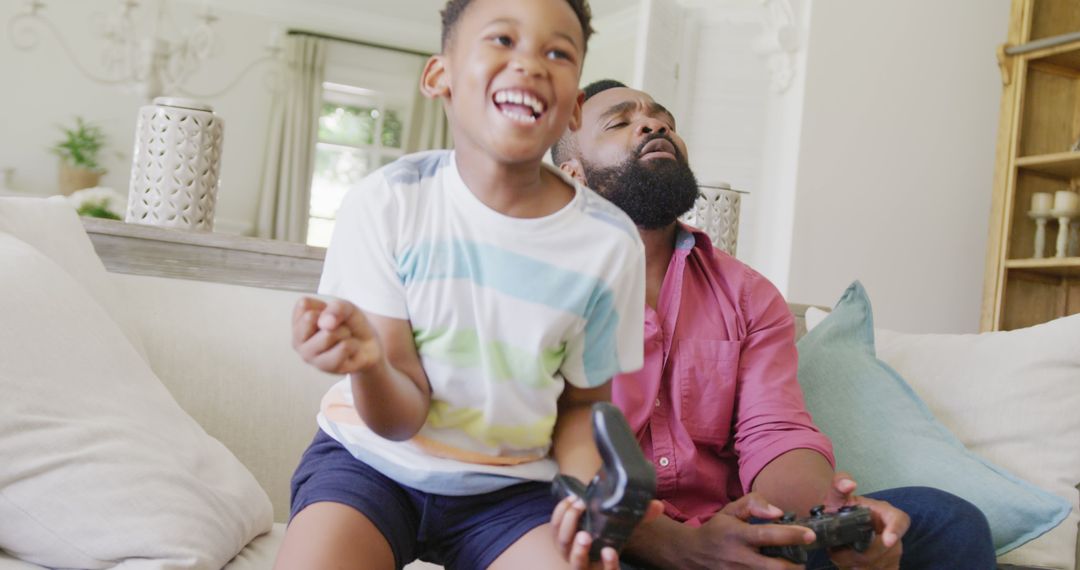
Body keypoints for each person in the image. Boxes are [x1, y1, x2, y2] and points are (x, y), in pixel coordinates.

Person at [550, 79, 997, 570]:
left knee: (949, 521)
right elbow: (540, 464)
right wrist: (673, 545)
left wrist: (820, 515)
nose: (654, 125)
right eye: (620, 122)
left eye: (664, 120)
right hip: (613, 536)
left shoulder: (748, 294)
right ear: (573, 174)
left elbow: (776, 431)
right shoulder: (538, 288)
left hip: (732, 531)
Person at [275, 4, 659, 569]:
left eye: (558, 52)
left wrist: (585, 494)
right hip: (369, 463)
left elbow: (582, 405)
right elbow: (398, 417)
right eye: (502, 39)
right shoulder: (386, 202)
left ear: (574, 108)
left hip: (510, 492)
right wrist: (368, 363)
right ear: (440, 77)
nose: (529, 63)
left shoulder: (609, 243)